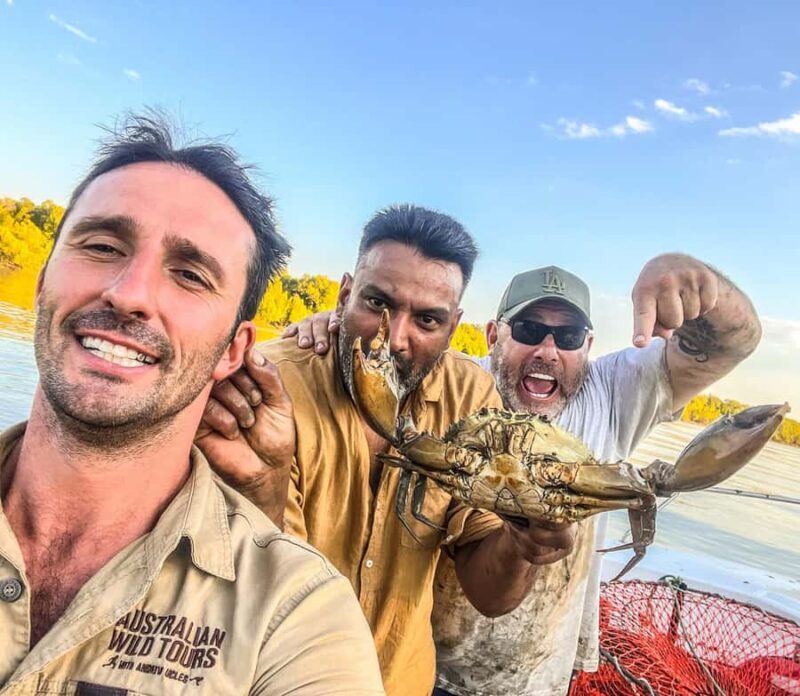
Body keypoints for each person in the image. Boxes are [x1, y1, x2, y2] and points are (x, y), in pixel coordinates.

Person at [0, 113, 385, 695]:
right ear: (42, 282)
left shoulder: (296, 617)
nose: (129, 294)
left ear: (234, 348)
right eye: (103, 245)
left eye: (190, 275)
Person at [281, 258, 762, 696]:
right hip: (432, 667)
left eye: (569, 337)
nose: (548, 350)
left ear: (587, 346)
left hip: (538, 679)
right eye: (529, 328)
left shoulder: (614, 395)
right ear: (493, 334)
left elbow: (732, 344)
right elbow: (392, 361)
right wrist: (335, 328)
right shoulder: (453, 387)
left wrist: (702, 285)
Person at [202, 205, 579, 696]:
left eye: (427, 319)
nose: (394, 338)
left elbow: (489, 594)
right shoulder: (266, 386)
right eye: (377, 303)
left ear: (453, 327)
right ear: (342, 295)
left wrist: (523, 546)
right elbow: (242, 577)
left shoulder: (471, 400)